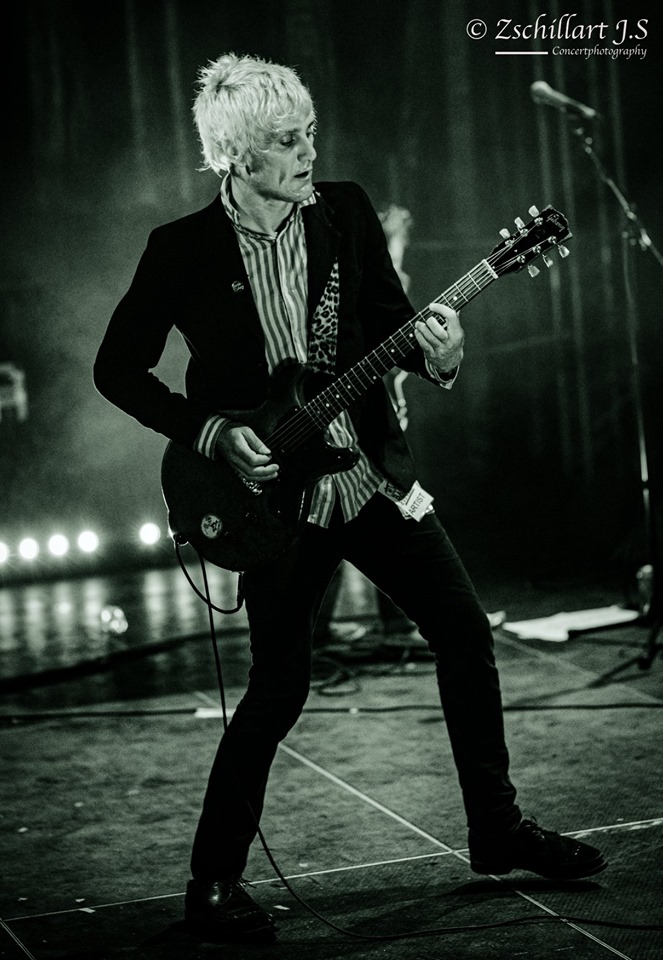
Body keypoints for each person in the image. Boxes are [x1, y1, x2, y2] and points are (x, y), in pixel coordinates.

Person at [94, 53, 606, 942]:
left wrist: (441, 353)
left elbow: (395, 325)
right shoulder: (181, 249)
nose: (308, 152)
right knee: (278, 688)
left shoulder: (345, 211)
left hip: (365, 478)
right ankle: (211, 884)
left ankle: (495, 830)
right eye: (288, 142)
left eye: (310, 134)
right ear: (237, 157)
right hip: (270, 499)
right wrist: (210, 432)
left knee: (463, 633)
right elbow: (116, 370)